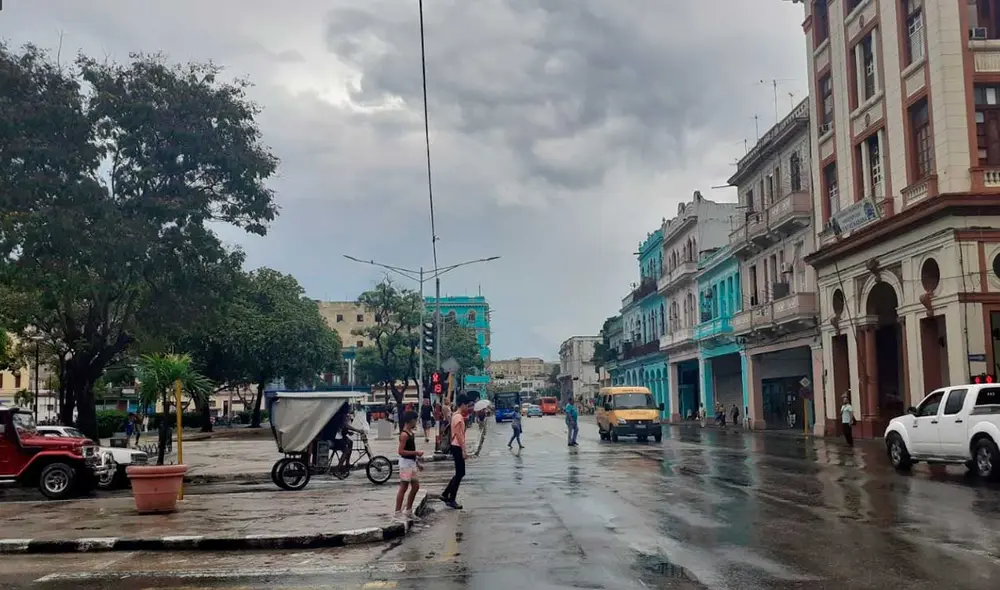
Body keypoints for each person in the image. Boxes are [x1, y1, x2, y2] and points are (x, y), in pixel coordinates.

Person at [441, 394, 471, 509]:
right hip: (457, 446)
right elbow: (459, 435)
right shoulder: (458, 417)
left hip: (455, 446)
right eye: (467, 406)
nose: (467, 408)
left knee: (460, 473)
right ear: (462, 404)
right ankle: (450, 498)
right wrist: (463, 450)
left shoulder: (455, 416)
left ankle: (446, 495)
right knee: (460, 473)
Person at [394, 410, 424, 520]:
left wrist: (417, 462)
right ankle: (397, 512)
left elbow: (411, 449)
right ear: (411, 420)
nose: (416, 422)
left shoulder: (411, 434)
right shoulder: (404, 435)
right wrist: (416, 453)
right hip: (405, 464)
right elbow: (401, 451)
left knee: (415, 486)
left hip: (411, 463)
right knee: (404, 487)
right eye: (416, 420)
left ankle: (408, 510)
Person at [332, 405, 365, 472]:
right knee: (346, 450)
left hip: (339, 435)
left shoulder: (344, 415)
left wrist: (348, 432)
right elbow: (345, 425)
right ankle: (338, 468)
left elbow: (343, 427)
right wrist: (357, 430)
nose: (351, 408)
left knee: (350, 442)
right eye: (349, 407)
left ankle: (347, 463)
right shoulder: (342, 415)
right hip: (336, 437)